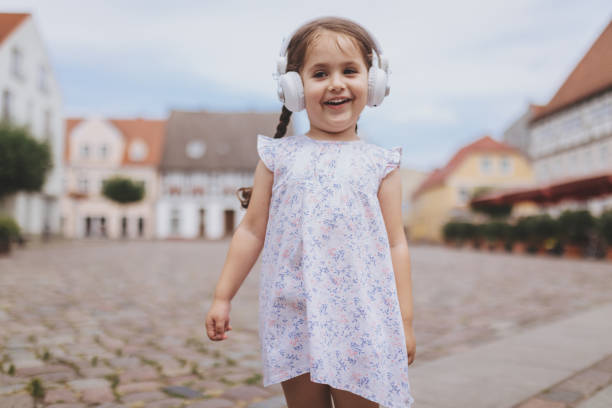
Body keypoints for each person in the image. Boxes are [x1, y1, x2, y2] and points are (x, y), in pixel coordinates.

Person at [205, 16, 416, 408]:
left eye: (349, 71)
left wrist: (403, 322)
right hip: (293, 316)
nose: (336, 83)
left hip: (362, 320)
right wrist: (222, 296)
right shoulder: (277, 157)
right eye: (320, 73)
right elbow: (251, 231)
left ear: (373, 83)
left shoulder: (382, 165)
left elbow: (395, 244)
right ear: (294, 87)